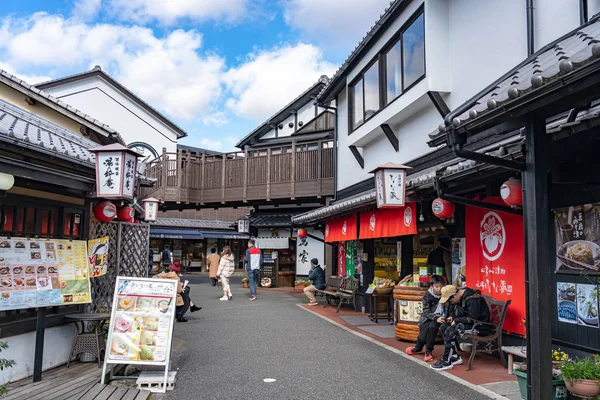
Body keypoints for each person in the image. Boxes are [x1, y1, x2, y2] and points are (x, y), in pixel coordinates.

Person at [430, 285, 491, 371]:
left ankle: (446, 361)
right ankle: (454, 357)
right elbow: (461, 314)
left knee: (451, 330)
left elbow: (473, 318)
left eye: (450, 300)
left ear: (454, 295)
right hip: (469, 324)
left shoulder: (472, 298)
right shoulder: (460, 296)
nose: (451, 302)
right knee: (444, 326)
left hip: (480, 327)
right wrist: (453, 318)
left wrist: (457, 320)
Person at [406, 275, 445, 362]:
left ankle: (428, 351)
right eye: (436, 286)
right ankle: (418, 347)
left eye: (441, 286)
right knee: (423, 336)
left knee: (432, 328)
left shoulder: (446, 294)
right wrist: (435, 317)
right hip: (428, 317)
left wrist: (441, 317)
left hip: (441, 317)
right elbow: (426, 311)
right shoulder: (427, 294)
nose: (439, 289)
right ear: (432, 286)